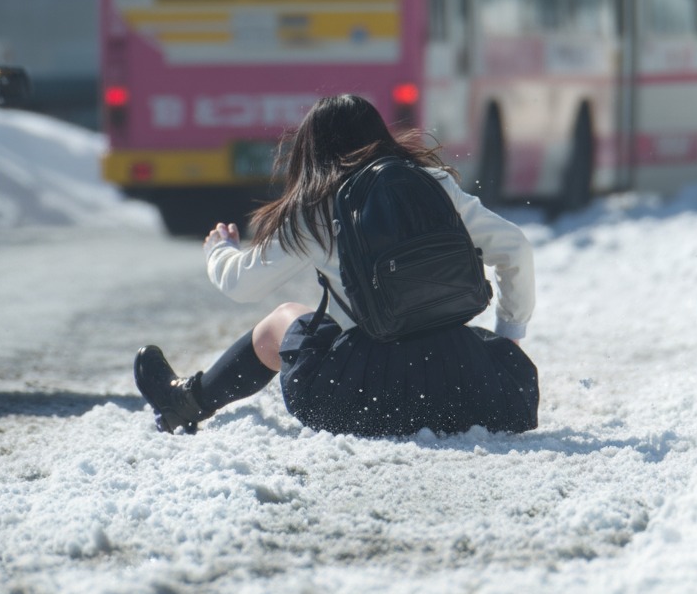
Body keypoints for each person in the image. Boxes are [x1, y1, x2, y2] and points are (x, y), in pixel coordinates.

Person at [134, 94, 539, 438]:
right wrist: (510, 337)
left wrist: (219, 250)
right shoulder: (433, 185)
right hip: (469, 388)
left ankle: (186, 402)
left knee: (286, 319)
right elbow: (515, 248)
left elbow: (242, 285)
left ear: (312, 151)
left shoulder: (313, 208)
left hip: (369, 398)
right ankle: (187, 400)